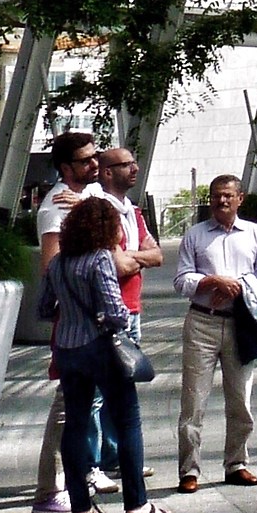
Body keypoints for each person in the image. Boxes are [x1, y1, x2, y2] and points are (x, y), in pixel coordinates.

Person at [35, 195, 167, 513]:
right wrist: (110, 316)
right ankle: (137, 503)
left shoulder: (58, 264)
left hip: (67, 350)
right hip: (100, 349)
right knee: (127, 422)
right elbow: (116, 313)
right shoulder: (100, 260)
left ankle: (80, 506)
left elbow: (42, 309)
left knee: (76, 426)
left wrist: (71, 314)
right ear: (107, 230)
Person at [172, 173, 257, 491]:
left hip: (241, 324)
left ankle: (237, 464)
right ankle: (189, 470)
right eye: (216, 195)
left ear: (240, 199)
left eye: (228, 195)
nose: (221, 201)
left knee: (241, 399)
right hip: (202, 322)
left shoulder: (255, 234)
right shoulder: (196, 235)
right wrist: (210, 282)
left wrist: (237, 287)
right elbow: (181, 280)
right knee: (193, 401)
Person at [30, 130, 107, 513]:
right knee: (66, 406)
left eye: (96, 157)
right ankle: (48, 489)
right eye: (86, 160)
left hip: (97, 318)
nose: (95, 165)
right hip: (76, 322)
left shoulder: (89, 198)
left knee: (84, 402)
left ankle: (78, 474)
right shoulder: (54, 208)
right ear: (65, 168)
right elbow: (51, 267)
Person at [92, 144, 163, 479]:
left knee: (123, 387)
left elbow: (157, 255)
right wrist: (136, 257)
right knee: (96, 392)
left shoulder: (132, 211)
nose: (134, 169)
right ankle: (92, 464)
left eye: (135, 163)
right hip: (108, 312)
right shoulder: (99, 211)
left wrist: (131, 255)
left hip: (132, 309)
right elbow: (115, 264)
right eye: (126, 165)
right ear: (107, 172)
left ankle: (114, 456)